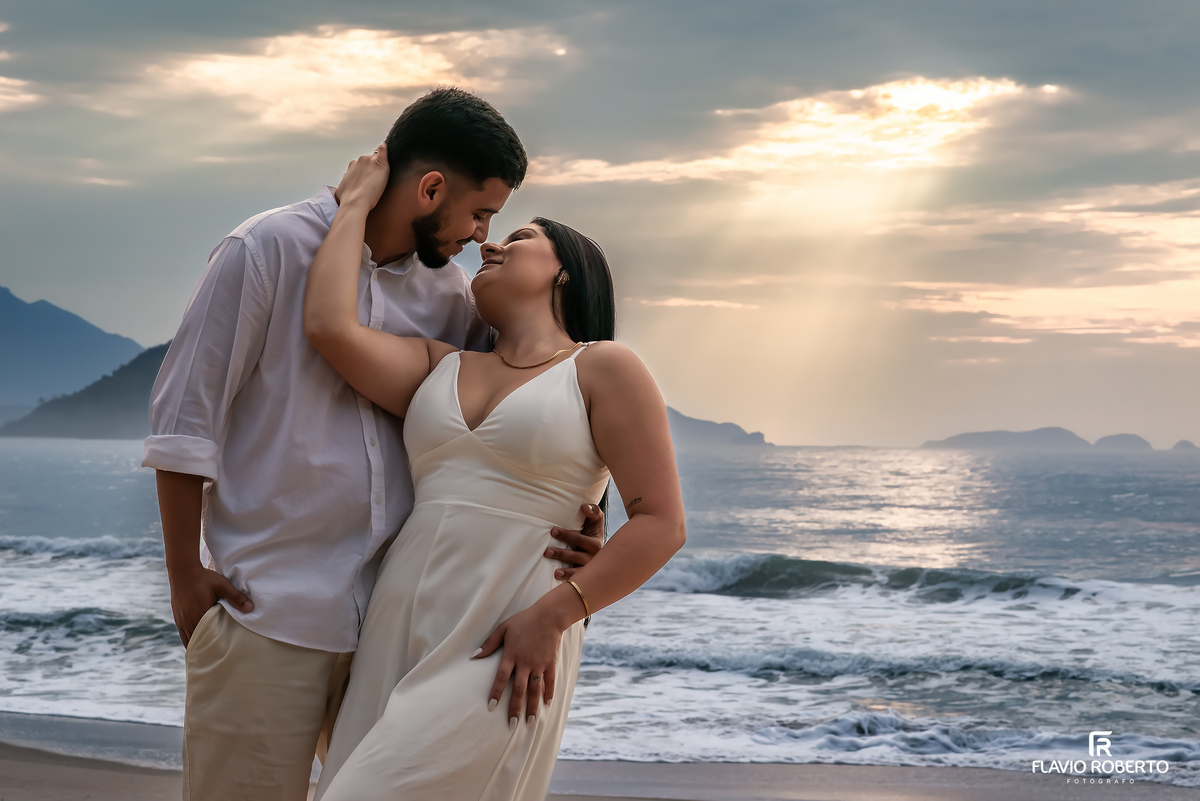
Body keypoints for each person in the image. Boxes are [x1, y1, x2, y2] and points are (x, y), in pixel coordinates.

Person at [142, 88, 605, 801]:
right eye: (481, 211)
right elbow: (184, 423)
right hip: (270, 612)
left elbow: (525, 412)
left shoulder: (453, 297)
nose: (483, 235)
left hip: (399, 629)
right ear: (429, 189)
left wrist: (588, 514)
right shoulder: (265, 248)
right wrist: (185, 579)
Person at [304, 146, 687, 800]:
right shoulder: (439, 365)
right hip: (397, 627)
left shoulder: (602, 367)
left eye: (520, 237)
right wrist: (357, 204)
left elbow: (662, 523)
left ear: (567, 271)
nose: (489, 246)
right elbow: (330, 327)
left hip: (507, 641)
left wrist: (556, 615)